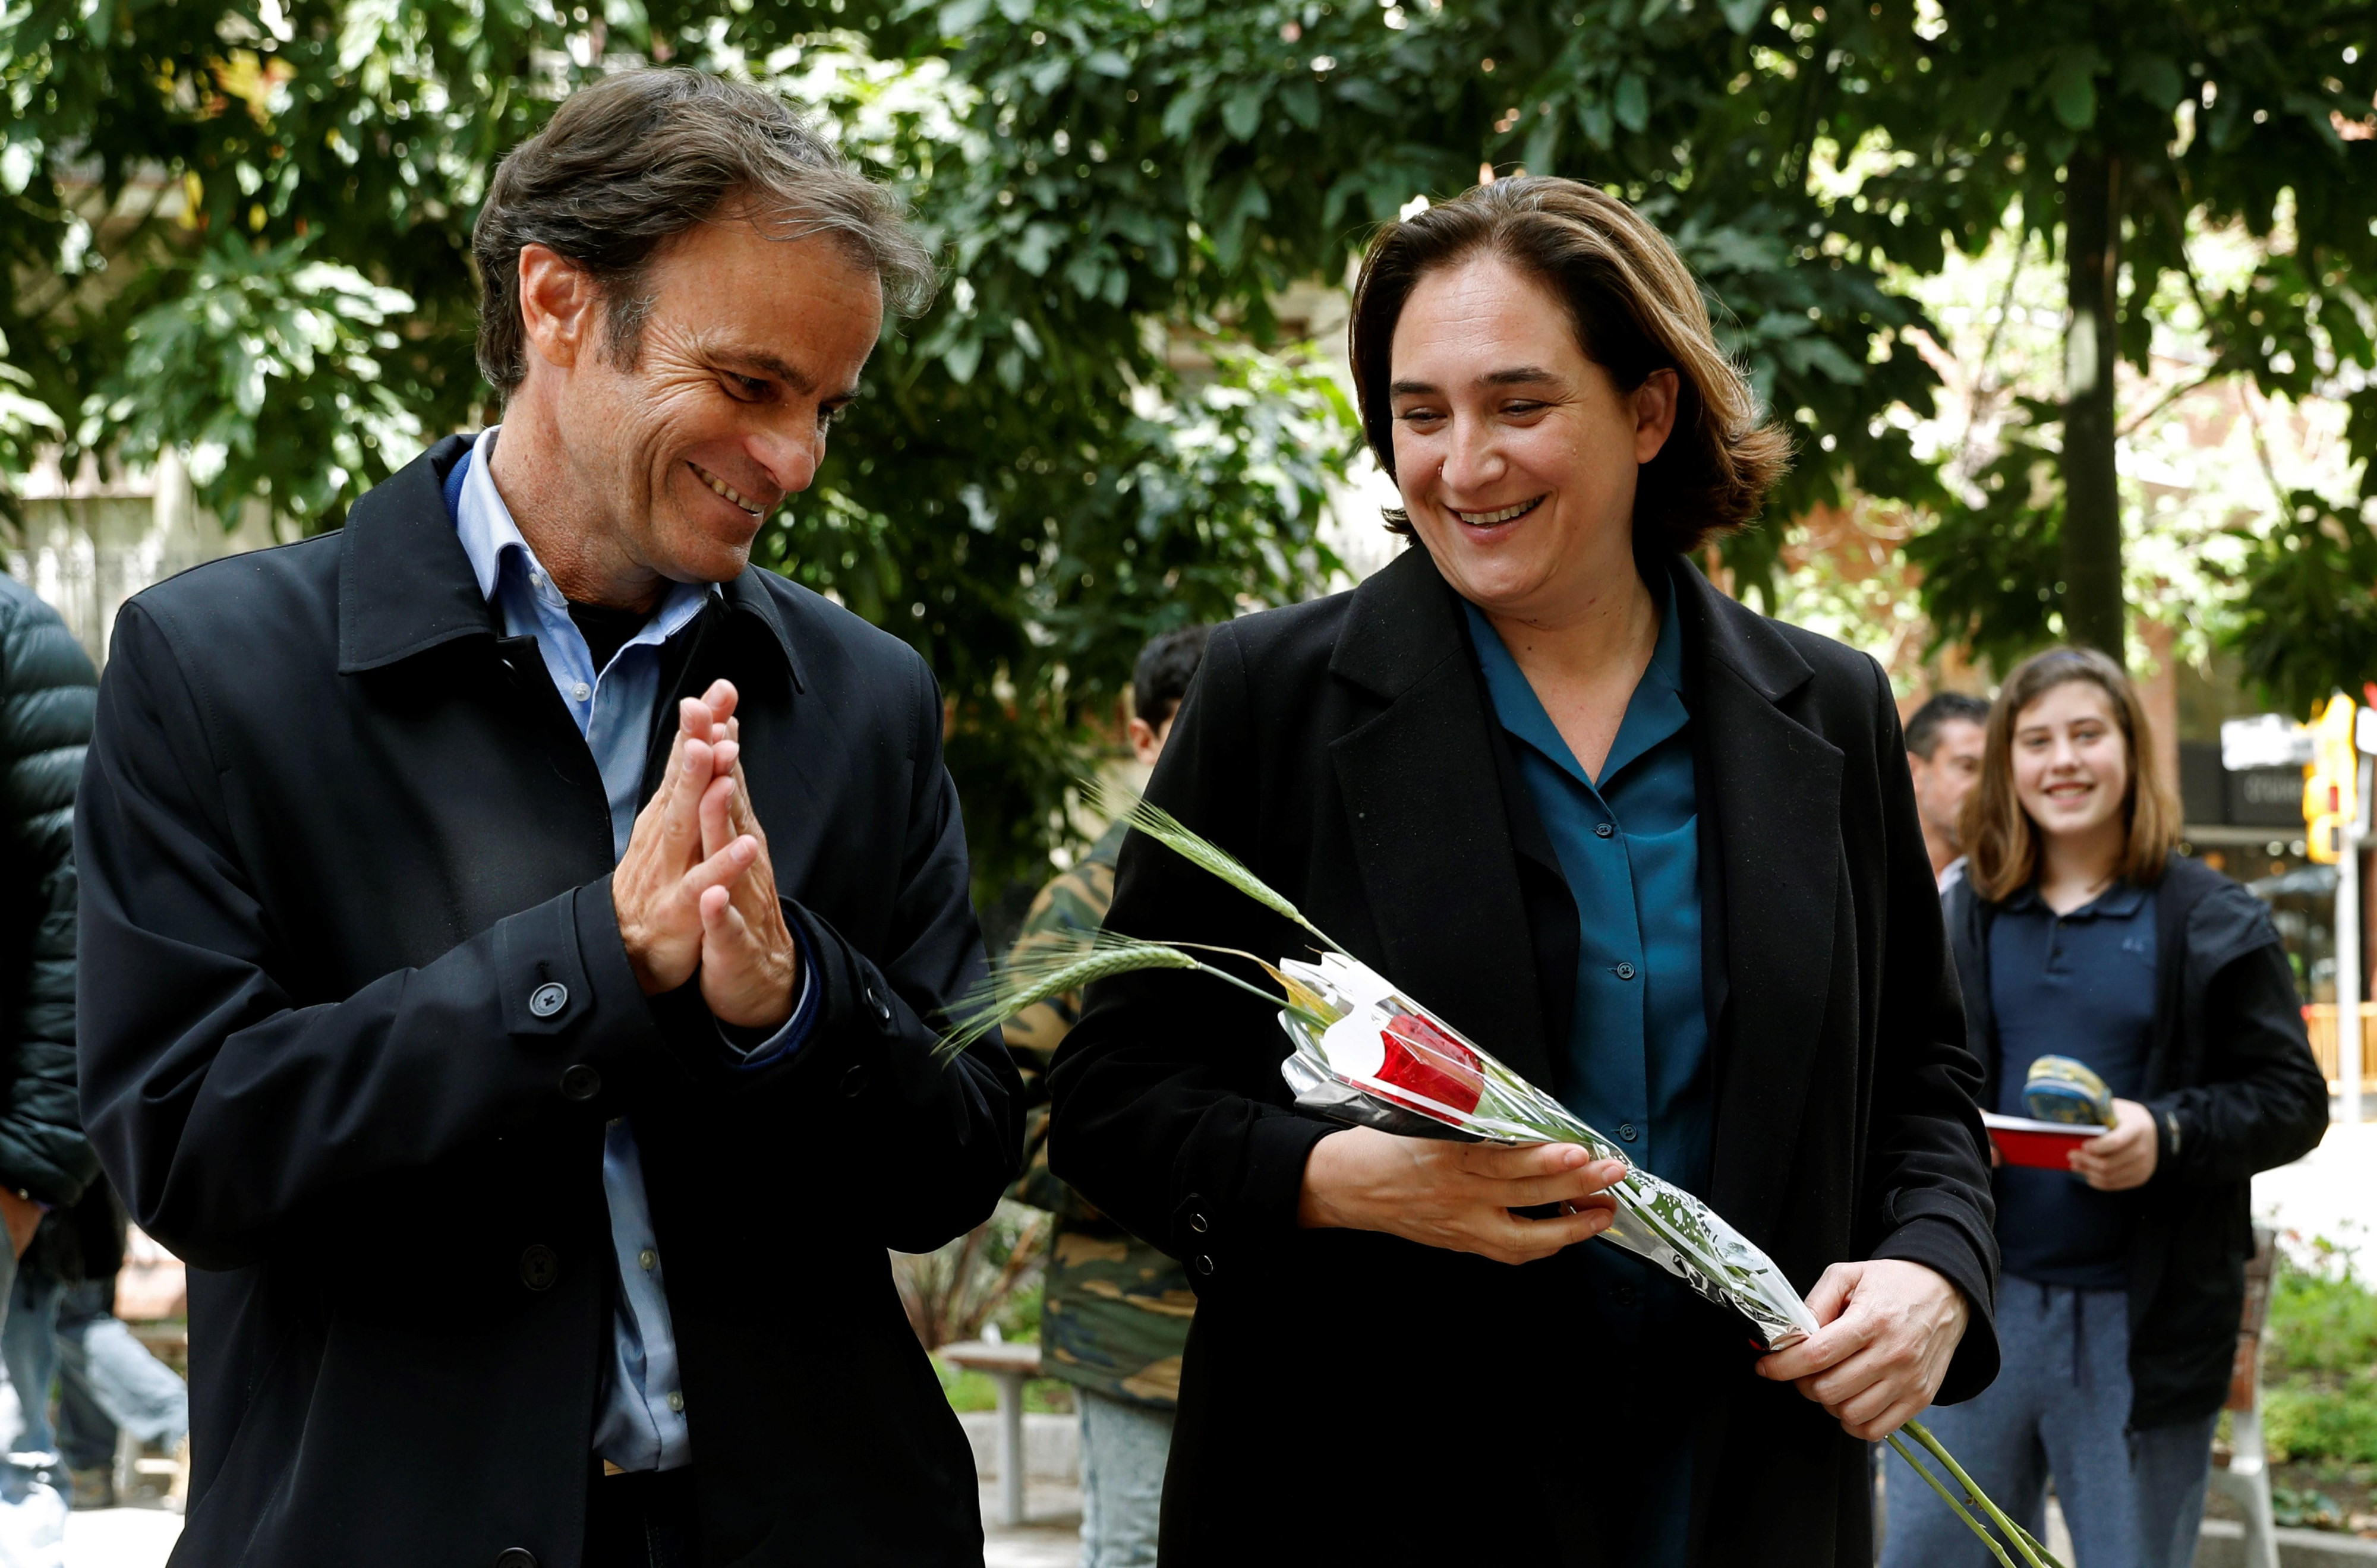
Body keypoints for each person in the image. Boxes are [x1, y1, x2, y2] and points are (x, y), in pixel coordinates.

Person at [75, 70, 1023, 1567]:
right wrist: (593, 961)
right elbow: (188, 1152)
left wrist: (794, 1005)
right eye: (751, 385)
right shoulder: (216, 671)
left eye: (825, 408)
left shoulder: (862, 693)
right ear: (558, 304)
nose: (793, 462)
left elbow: (959, 1159)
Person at [1046, 176, 1998, 1567]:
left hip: (1736, 1493)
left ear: (1650, 412)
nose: (1460, 462)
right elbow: (1111, 1098)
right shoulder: (1272, 700)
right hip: (1368, 1497)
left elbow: (1922, 1073)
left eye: (1518, 404)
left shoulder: (1832, 709)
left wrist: (1935, 1272)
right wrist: (1344, 1179)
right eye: (1418, 413)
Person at [1886, 647, 2328, 1568]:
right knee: (1934, 1552)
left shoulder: (2214, 916)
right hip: (1974, 1309)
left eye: (2088, 733)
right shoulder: (1961, 910)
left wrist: (2164, 1132)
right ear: (2008, 762)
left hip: (2146, 1328)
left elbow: (2294, 1101)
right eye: (2037, 739)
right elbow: (1907, 1081)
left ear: (2131, 747)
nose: (2064, 761)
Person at [1004, 625, 1209, 1568]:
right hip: (1131, 1332)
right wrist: (1176, 1172)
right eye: (1195, 726)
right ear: (1142, 738)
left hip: (1284, 1335)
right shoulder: (1086, 904)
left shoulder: (1297, 887)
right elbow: (1007, 1109)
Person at [1908, 691, 1991, 892]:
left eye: (1994, 771)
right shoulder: (1865, 881)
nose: (1986, 787)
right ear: (1913, 771)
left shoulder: (2012, 886)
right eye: (1968, 767)